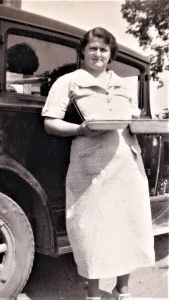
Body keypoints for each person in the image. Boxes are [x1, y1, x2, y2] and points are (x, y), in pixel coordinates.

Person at [42, 27, 155, 300]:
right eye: (93, 48)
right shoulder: (68, 81)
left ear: (110, 54)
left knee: (128, 225)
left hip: (127, 165)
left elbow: (132, 120)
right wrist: (79, 130)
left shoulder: (123, 85)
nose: (98, 53)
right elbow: (50, 123)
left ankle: (123, 289)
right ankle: (93, 292)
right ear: (83, 50)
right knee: (91, 228)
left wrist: (145, 125)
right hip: (90, 166)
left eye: (104, 49)